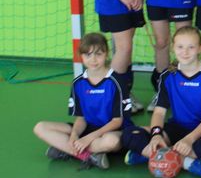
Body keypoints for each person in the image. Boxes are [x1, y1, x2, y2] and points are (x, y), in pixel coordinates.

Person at [121, 26, 201, 178]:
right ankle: (188, 162)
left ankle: (153, 156)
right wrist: (156, 135)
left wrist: (189, 139)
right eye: (180, 47)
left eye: (191, 47)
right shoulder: (168, 74)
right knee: (129, 134)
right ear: (173, 48)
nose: (185, 52)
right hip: (176, 128)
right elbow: (159, 112)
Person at [33, 33, 131, 169]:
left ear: (106, 54)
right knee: (40, 127)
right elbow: (81, 118)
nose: (93, 59)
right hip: (87, 128)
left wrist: (88, 138)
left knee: (112, 141)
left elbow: (117, 122)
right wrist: (75, 135)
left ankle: (67, 149)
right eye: (88, 55)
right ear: (81, 56)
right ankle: (88, 156)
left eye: (98, 54)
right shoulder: (78, 83)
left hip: (112, 130)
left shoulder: (117, 82)